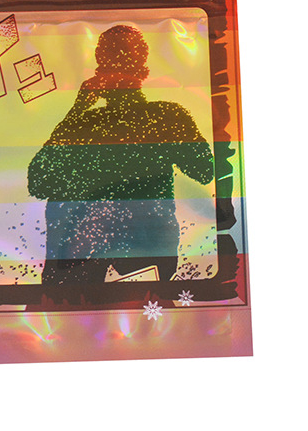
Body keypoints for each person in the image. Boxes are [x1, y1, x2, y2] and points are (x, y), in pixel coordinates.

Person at [28, 24, 214, 286]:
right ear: (143, 70)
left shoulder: (84, 125)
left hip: (108, 264)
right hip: (137, 264)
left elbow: (38, 182)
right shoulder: (165, 116)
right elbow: (204, 170)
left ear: (98, 72)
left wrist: (77, 111)